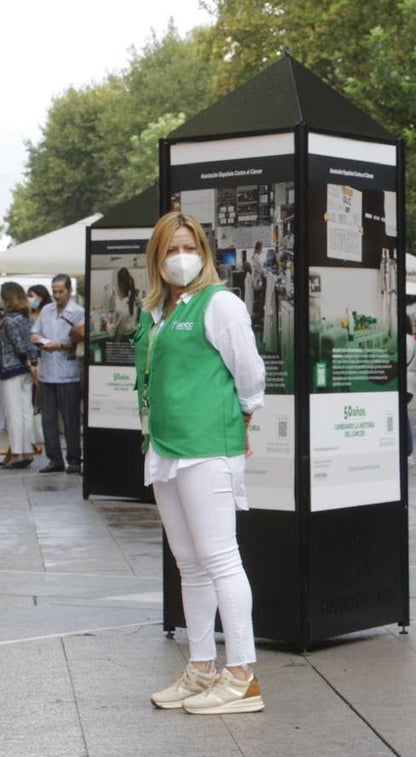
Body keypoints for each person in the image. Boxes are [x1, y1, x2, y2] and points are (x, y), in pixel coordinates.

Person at [138, 211, 266, 715]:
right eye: (169, 249)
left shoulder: (222, 304)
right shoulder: (159, 311)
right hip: (167, 447)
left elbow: (249, 370)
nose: (180, 256)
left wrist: (245, 418)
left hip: (208, 446)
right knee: (189, 564)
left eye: (188, 246)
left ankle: (242, 677)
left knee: (219, 559)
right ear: (156, 258)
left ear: (205, 252)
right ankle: (201, 667)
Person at [30, 274, 84, 474]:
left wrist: (60, 345)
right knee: (48, 419)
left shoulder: (79, 312)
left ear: (69, 290)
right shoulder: (46, 310)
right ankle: (54, 459)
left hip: (68, 373)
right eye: (54, 291)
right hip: (47, 373)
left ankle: (74, 460)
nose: (57, 295)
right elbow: (35, 330)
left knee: (70, 419)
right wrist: (36, 338)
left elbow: (81, 340)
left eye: (61, 291)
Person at [0, 283, 38, 469]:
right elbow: (31, 343)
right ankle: (27, 451)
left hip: (11, 368)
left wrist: (26, 361)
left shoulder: (8, 319)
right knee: (26, 411)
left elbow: (17, 345)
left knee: (13, 412)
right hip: (27, 370)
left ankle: (16, 452)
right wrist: (33, 364)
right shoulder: (28, 318)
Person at [106, 267, 140, 340]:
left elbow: (111, 333)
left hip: (120, 345)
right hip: (131, 343)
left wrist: (108, 323)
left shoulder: (120, 309)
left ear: (120, 285)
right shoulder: (133, 302)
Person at [404, 315, 416, 465]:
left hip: (404, 380)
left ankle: (407, 451)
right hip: (411, 382)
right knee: (403, 415)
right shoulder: (413, 340)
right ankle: (407, 451)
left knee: (402, 416)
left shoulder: (403, 340)